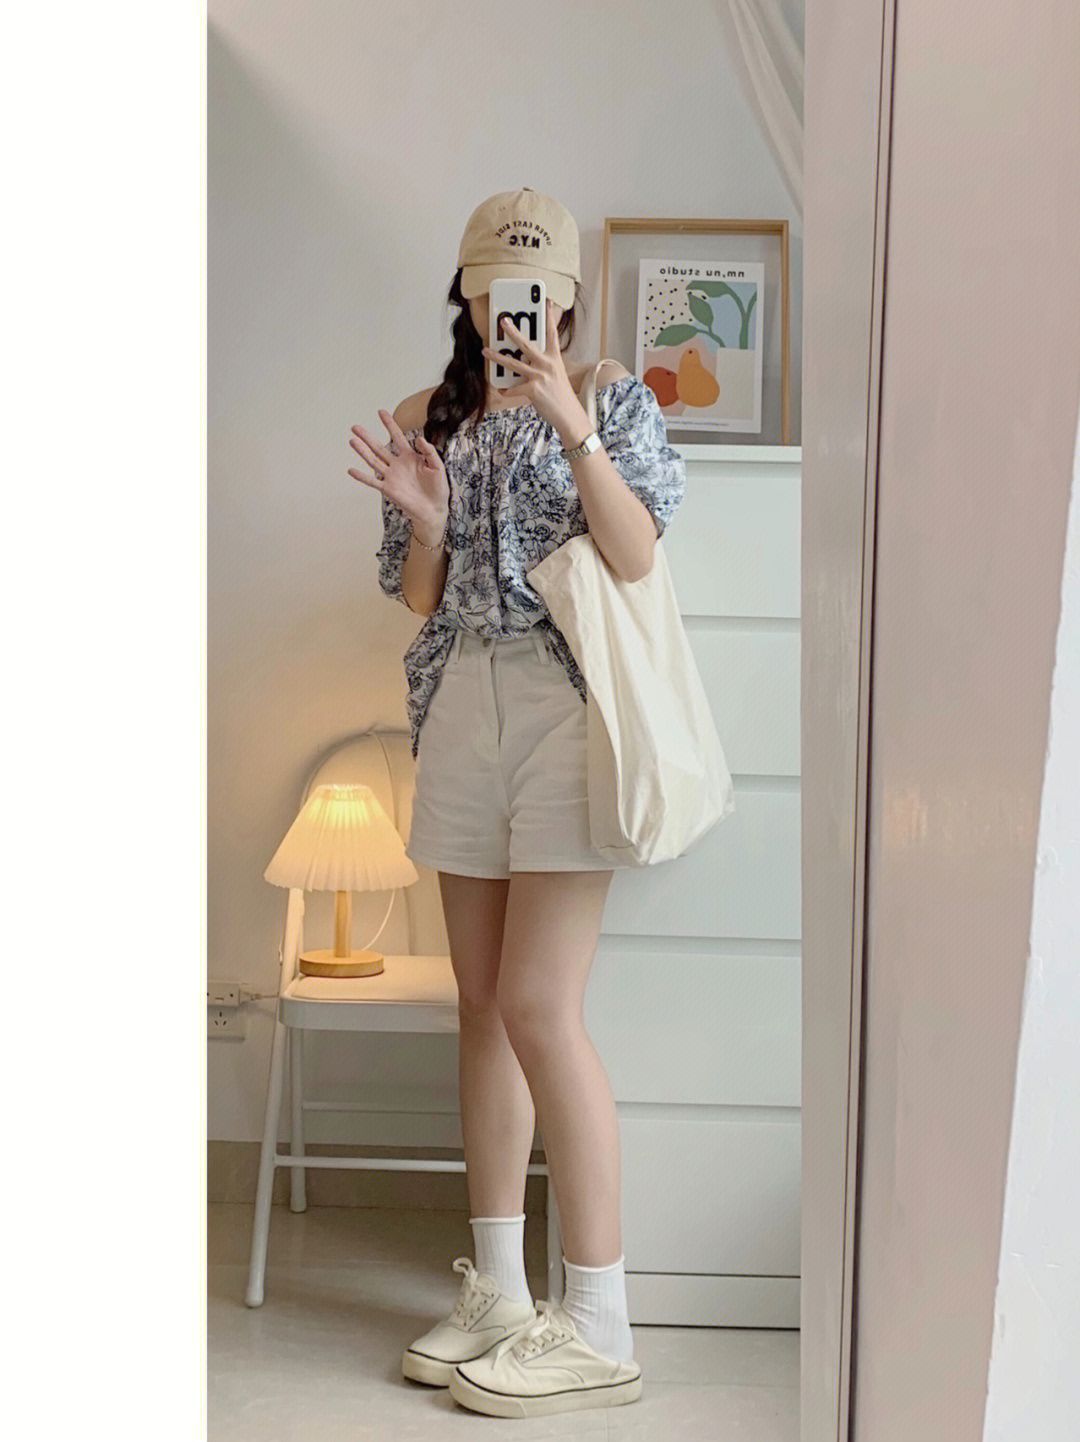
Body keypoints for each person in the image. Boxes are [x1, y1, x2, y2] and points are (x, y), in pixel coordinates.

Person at [347, 187, 686, 1419]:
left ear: (570, 299)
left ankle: (597, 1319)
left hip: (565, 703)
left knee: (543, 1004)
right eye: (498, 291)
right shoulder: (428, 415)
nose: (517, 313)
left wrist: (570, 422)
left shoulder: (611, 395)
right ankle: (497, 1290)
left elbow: (636, 554)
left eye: (537, 293)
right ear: (470, 294)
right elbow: (419, 598)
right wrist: (426, 519)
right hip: (461, 704)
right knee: (483, 1005)